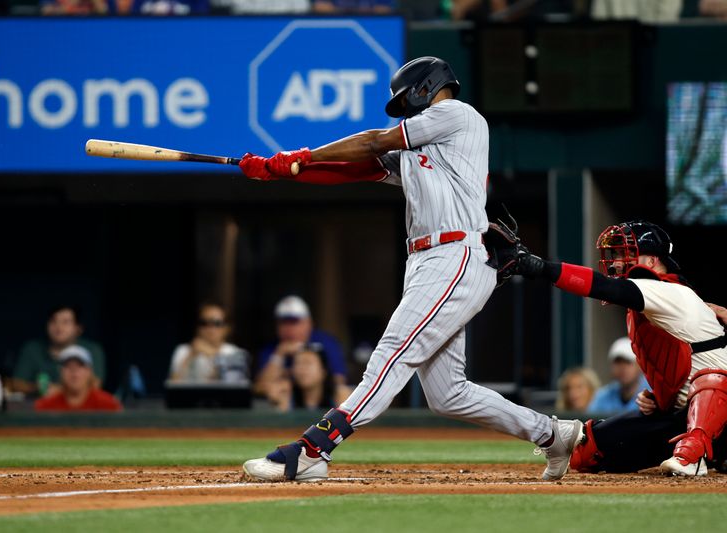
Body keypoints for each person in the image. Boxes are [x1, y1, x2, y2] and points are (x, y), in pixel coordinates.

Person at [237, 56, 583, 482]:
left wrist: (299, 155)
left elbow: (371, 143)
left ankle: (314, 448)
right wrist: (283, 170)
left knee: (392, 352)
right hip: (427, 261)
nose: (406, 109)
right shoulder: (423, 147)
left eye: (406, 100)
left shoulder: (456, 115)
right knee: (447, 394)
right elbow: (356, 169)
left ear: (425, 87)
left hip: (453, 254)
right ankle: (553, 434)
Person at [518, 220, 727, 476]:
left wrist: (541, 267)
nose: (615, 262)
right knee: (588, 453)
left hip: (720, 410)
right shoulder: (649, 305)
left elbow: (602, 286)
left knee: (712, 379)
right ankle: (712, 453)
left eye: (623, 253)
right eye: (614, 254)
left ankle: (695, 455)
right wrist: (662, 398)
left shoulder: (667, 291)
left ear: (651, 261)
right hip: (684, 416)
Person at [253, 295, 347, 396]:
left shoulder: (325, 343)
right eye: (283, 323)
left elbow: (339, 380)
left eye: (294, 322)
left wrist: (295, 379)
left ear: (308, 323)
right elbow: (259, 387)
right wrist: (279, 354)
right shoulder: (271, 348)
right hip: (289, 406)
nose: (288, 328)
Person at [10, 305, 107, 397]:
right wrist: (40, 388)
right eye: (53, 321)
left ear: (78, 328)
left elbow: (95, 386)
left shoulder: (91, 350)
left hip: (78, 410)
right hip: (37, 409)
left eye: (65, 322)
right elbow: (16, 384)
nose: (59, 327)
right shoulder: (32, 348)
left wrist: (59, 391)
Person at [167, 303, 249, 384]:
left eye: (217, 323)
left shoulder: (235, 353)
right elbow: (172, 387)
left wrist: (213, 355)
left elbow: (231, 386)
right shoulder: (183, 351)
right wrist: (190, 356)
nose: (210, 328)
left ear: (227, 328)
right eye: (204, 323)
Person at [265, 344, 353, 412]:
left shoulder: (338, 394)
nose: (302, 368)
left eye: (308, 363)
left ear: (323, 370)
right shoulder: (287, 394)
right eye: (298, 363)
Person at [34, 345, 122, 412]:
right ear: (61, 371)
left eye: (80, 366)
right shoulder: (46, 406)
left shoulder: (108, 404)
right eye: (68, 366)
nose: (74, 371)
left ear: (89, 371)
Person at [587, 337, 650, 415]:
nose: (622, 367)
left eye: (628, 362)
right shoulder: (602, 396)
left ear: (639, 365)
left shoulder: (652, 393)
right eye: (618, 362)